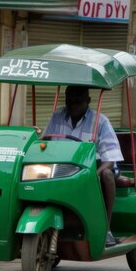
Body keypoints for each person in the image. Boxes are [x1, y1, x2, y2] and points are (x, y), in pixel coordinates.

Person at [44, 85, 123, 247]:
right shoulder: (57, 116)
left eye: (78, 101)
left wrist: (94, 174)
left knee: (107, 175)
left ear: (88, 101)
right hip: (62, 167)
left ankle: (106, 229)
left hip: (94, 167)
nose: (72, 104)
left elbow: (110, 158)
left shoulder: (101, 121)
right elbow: (44, 141)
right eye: (69, 100)